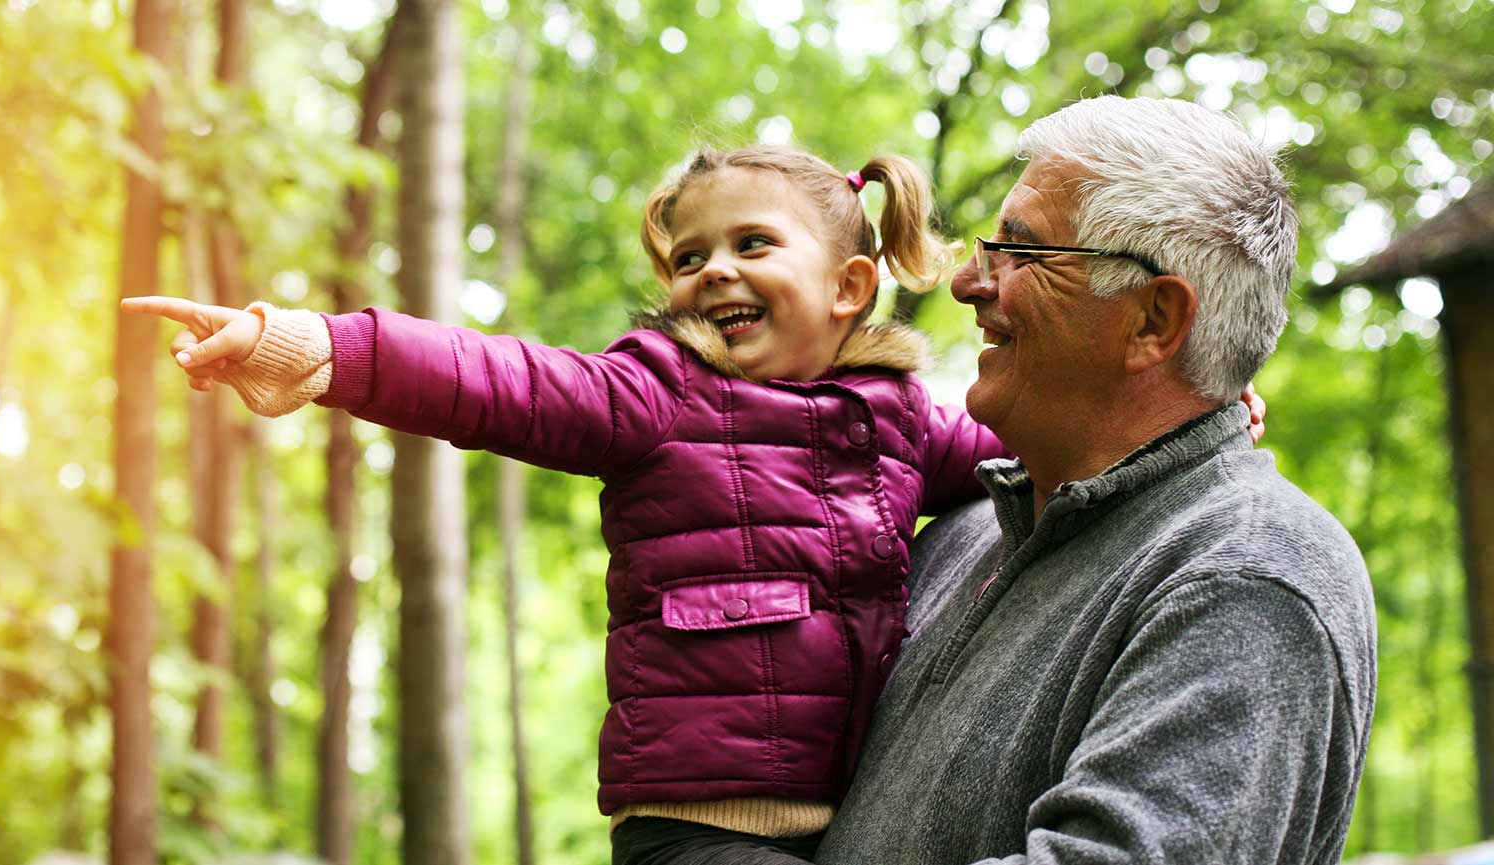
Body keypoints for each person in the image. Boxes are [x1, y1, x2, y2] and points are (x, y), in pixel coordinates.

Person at [123, 144, 1007, 863]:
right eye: (691, 257)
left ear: (849, 287)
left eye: (753, 245)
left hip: (851, 816)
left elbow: (1017, 449)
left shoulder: (897, 421)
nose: (715, 273)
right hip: (695, 826)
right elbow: (497, 381)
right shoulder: (658, 393)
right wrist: (309, 343)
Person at [804, 96, 1376, 865]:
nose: (967, 281)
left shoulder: (1249, 575)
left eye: (1020, 251)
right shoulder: (965, 530)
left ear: (1152, 322)